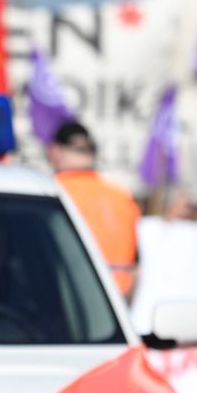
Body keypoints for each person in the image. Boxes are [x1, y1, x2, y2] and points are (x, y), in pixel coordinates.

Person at [47, 121, 141, 299]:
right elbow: (136, 266)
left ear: (54, 151)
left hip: (68, 298)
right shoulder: (121, 195)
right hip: (118, 301)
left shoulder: (53, 191)